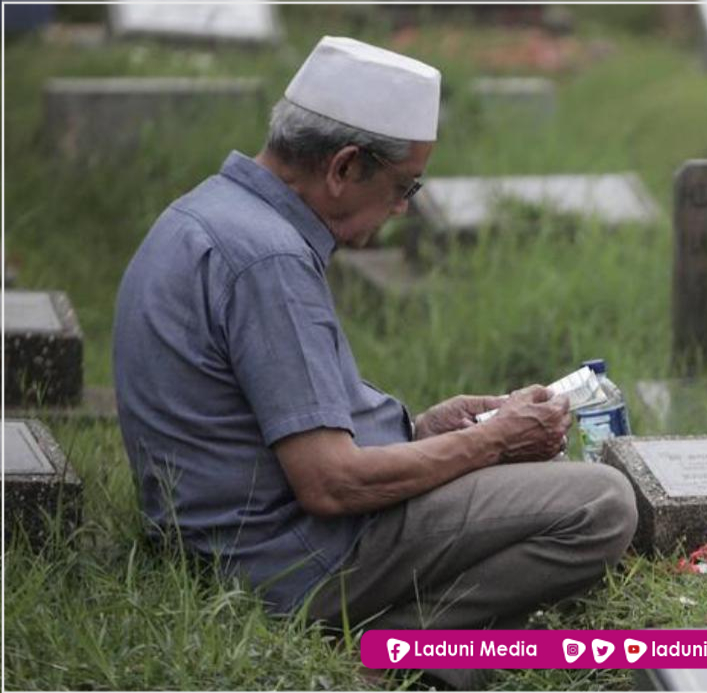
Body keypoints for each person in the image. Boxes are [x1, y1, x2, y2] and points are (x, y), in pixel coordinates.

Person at [112, 36, 638, 688]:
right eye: (402, 185)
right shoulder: (268, 260)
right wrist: (492, 444)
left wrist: (422, 430)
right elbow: (330, 483)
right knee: (602, 503)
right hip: (282, 562)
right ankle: (403, 651)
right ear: (343, 167)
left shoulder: (209, 213)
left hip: (228, 538)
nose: (403, 207)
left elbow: (272, 418)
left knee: (546, 474)